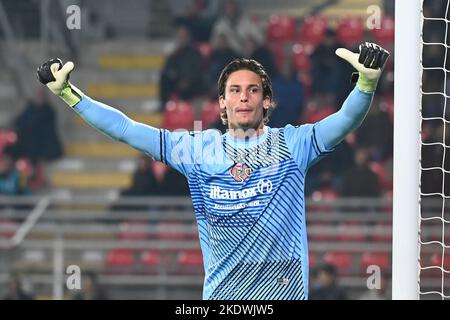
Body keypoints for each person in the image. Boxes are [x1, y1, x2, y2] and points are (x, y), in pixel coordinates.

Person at [36, 42, 389, 300]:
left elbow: (343, 122)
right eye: (234, 91)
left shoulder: (292, 145)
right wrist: (69, 94)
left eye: (253, 90)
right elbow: (126, 129)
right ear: (222, 102)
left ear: (267, 100)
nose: (244, 97)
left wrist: (365, 85)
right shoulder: (197, 150)